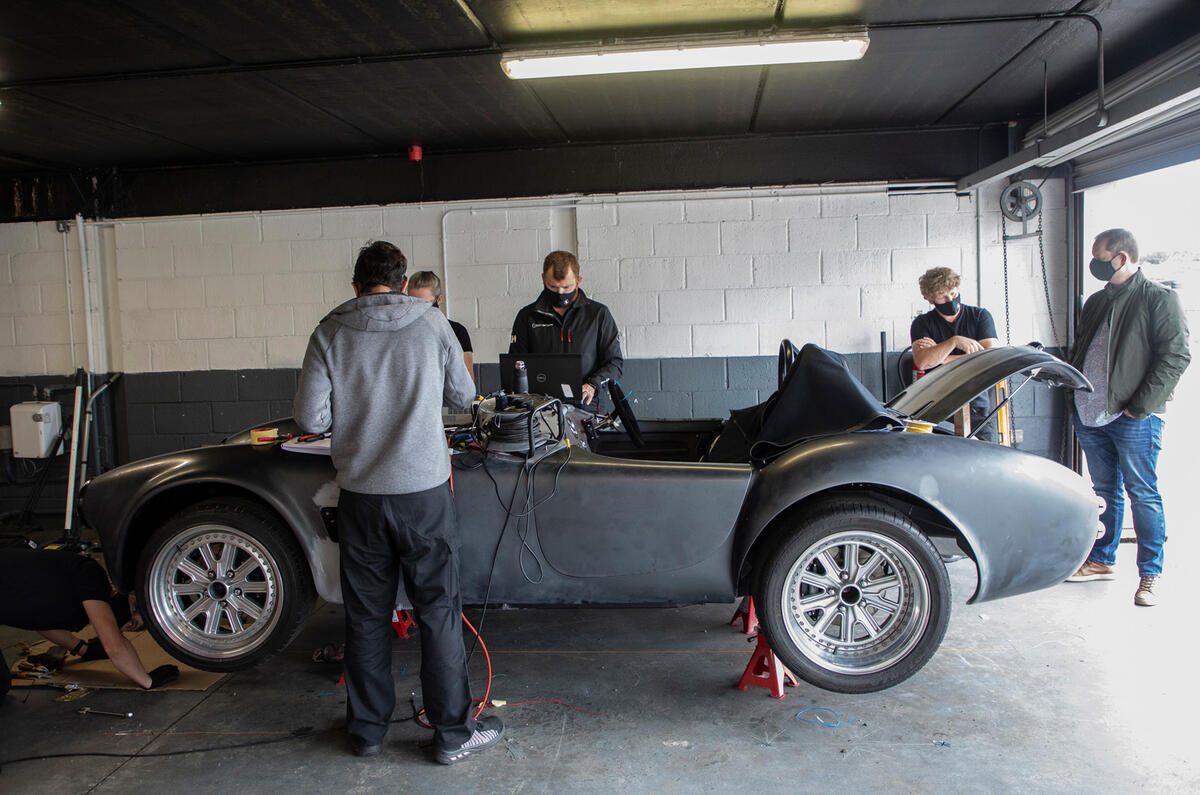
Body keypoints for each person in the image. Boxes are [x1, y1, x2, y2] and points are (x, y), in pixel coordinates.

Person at [293, 240, 503, 763]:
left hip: (361, 497)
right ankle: (452, 735)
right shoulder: (433, 323)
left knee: (366, 617)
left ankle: (366, 733)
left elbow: (310, 421)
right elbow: (462, 397)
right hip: (424, 496)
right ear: (404, 283)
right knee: (438, 612)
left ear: (355, 286)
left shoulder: (329, 331)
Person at [1065, 228, 1190, 607]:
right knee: (1104, 493)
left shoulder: (1159, 299)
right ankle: (1102, 559)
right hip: (1091, 413)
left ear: (1120, 258)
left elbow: (1176, 357)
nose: (1094, 264)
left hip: (1134, 416)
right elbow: (1083, 349)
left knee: (1143, 493)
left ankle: (1149, 575)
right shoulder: (1096, 302)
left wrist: (1139, 406)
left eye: (1099, 256)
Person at [0, 547, 178, 698]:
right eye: (134, 610)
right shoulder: (93, 578)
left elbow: (41, 622)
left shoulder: (73, 598)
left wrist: (83, 649)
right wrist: (147, 681)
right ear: (130, 595)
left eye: (131, 625)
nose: (127, 621)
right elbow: (113, 645)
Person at [510, 250, 623, 411]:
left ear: (578, 281)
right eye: (553, 287)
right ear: (543, 279)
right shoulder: (527, 316)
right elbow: (515, 365)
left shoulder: (598, 314)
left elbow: (615, 363)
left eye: (566, 287)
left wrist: (593, 384)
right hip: (541, 409)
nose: (560, 293)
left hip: (587, 407)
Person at [910, 267, 1000, 440]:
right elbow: (922, 362)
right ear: (929, 299)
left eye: (953, 293)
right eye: (942, 296)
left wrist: (941, 358)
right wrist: (955, 341)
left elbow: (990, 358)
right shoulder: (922, 323)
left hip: (977, 404)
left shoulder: (980, 316)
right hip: (937, 405)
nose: (950, 299)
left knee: (985, 456)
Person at [407, 271, 474, 375]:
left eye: (425, 305)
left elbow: (467, 379)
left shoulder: (456, 331)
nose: (419, 311)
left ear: (439, 300)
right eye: (414, 304)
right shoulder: (402, 330)